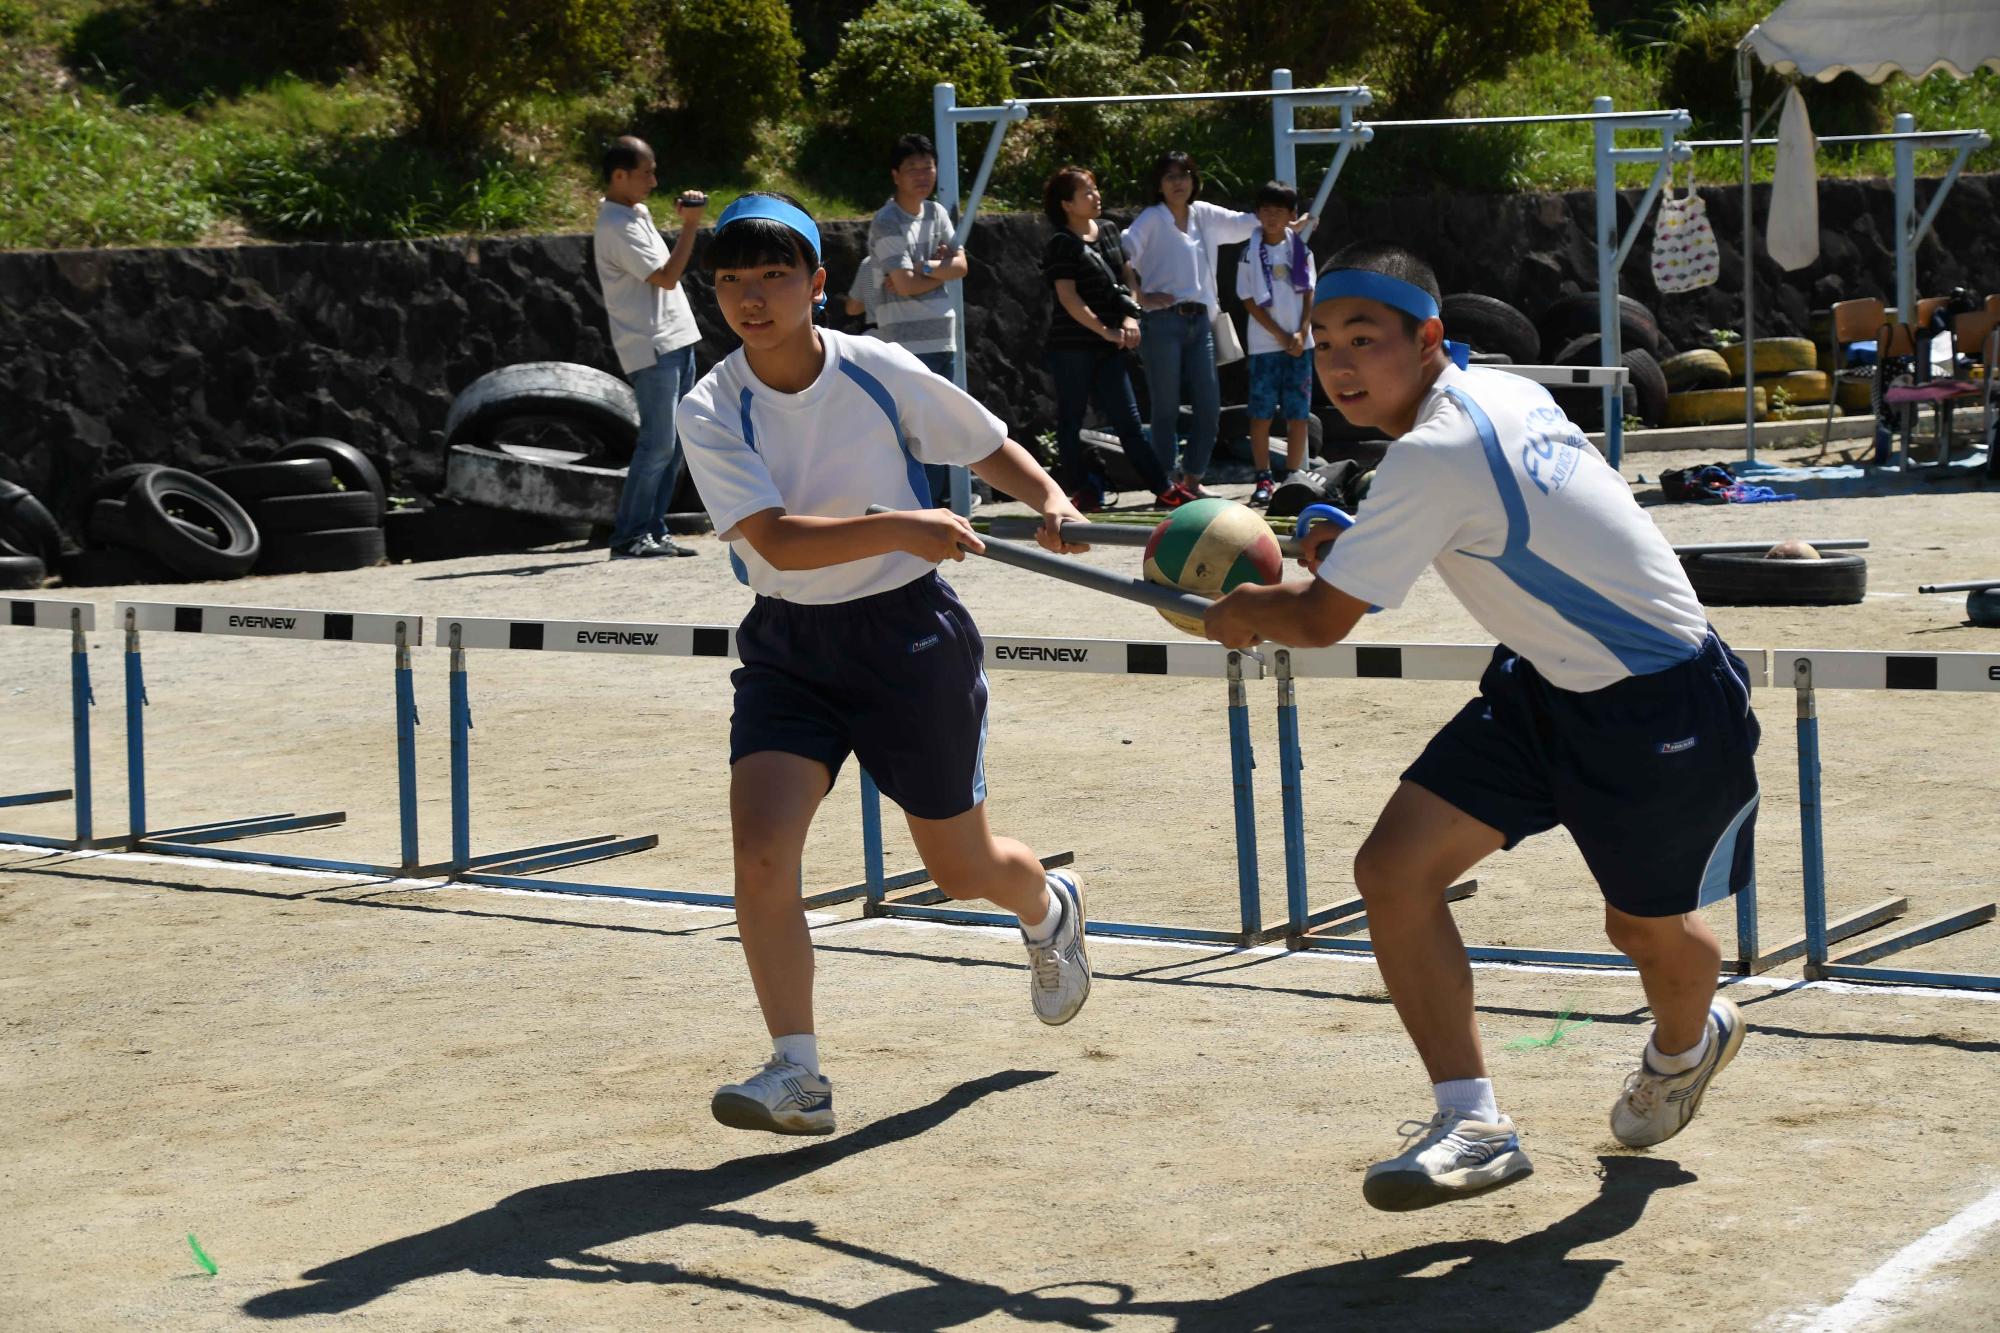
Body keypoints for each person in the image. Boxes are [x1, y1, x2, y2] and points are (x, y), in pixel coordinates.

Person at [1203, 242, 1759, 1212]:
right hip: (1542, 682)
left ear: (1426, 340)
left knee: (1644, 928)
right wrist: (1348, 543)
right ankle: (1472, 1122)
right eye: (1323, 340)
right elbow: (1492, 525)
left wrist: (1240, 609)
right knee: (1391, 869)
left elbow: (1321, 623)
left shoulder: (1434, 451)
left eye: (1364, 340)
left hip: (1655, 700)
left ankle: (1686, 1042)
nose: (1337, 365)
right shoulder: (1482, 392)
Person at [675, 193, 1094, 1137]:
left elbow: (986, 444)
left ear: (818, 285)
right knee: (761, 852)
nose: (751, 297)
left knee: (960, 867)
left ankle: (1046, 902)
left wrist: (1050, 497)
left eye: (774, 276)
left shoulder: (877, 368)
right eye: (732, 280)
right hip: (789, 645)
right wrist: (906, 523)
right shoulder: (712, 405)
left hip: (908, 638)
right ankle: (798, 1072)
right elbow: (775, 542)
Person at [1122, 150, 1262, 502]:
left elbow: (1247, 222)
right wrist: (1141, 296)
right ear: (1159, 183)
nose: (1178, 182)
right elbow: (1121, 251)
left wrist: (1285, 216)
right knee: (1165, 407)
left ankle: (1193, 480)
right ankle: (1166, 486)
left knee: (1209, 405)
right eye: (1170, 176)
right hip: (1161, 323)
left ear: (1194, 179)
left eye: (1184, 174)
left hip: (1202, 322)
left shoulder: (1205, 215)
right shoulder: (1152, 218)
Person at [1039, 166, 1179, 512]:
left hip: (1110, 345)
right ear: (1067, 204)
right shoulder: (1061, 244)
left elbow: (1128, 279)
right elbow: (1069, 298)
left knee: (1129, 421)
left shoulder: (1110, 231)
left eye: (1095, 189)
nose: (1096, 196)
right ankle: (1084, 489)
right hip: (1072, 346)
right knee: (1071, 421)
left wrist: (1131, 317)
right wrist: (1106, 330)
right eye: (1086, 192)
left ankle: (1163, 488)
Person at [594, 135, 707, 559]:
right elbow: (665, 277)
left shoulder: (635, 213)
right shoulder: (615, 225)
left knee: (674, 444)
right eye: (646, 173)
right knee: (657, 444)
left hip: (676, 340)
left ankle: (653, 531)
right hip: (653, 348)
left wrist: (681, 221)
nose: (654, 181)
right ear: (619, 176)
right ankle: (628, 536)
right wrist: (692, 226)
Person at [870, 133, 967, 505]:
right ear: (896, 175)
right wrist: (936, 270)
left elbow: (960, 266)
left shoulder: (938, 213)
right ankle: (917, 506)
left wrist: (923, 268)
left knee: (941, 427)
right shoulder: (887, 221)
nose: (922, 175)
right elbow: (904, 284)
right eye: (912, 168)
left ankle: (937, 505)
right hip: (904, 343)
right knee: (911, 431)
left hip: (943, 338)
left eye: (927, 166)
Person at [1236, 181, 1315, 507]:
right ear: (1258, 213)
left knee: (1299, 414)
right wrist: (1282, 335)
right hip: (1265, 344)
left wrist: (1300, 331)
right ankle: (1263, 477)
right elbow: (1248, 299)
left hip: (1301, 343)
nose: (1271, 216)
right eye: (1265, 210)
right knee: (1262, 414)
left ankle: (1294, 476)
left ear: (1290, 215)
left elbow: (1310, 291)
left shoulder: (1302, 249)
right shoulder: (1249, 252)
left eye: (1278, 210)